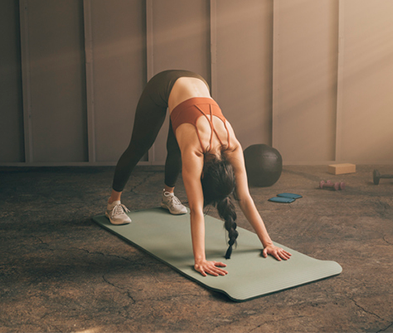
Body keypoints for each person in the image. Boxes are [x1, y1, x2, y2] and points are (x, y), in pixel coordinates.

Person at [105, 70, 291, 277]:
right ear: (202, 175)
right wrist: (200, 259)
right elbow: (196, 209)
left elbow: (245, 198)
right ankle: (113, 203)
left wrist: (268, 243)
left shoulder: (233, 146)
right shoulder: (195, 149)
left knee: (176, 146)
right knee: (140, 146)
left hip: (198, 83)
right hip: (164, 84)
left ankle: (167, 196)